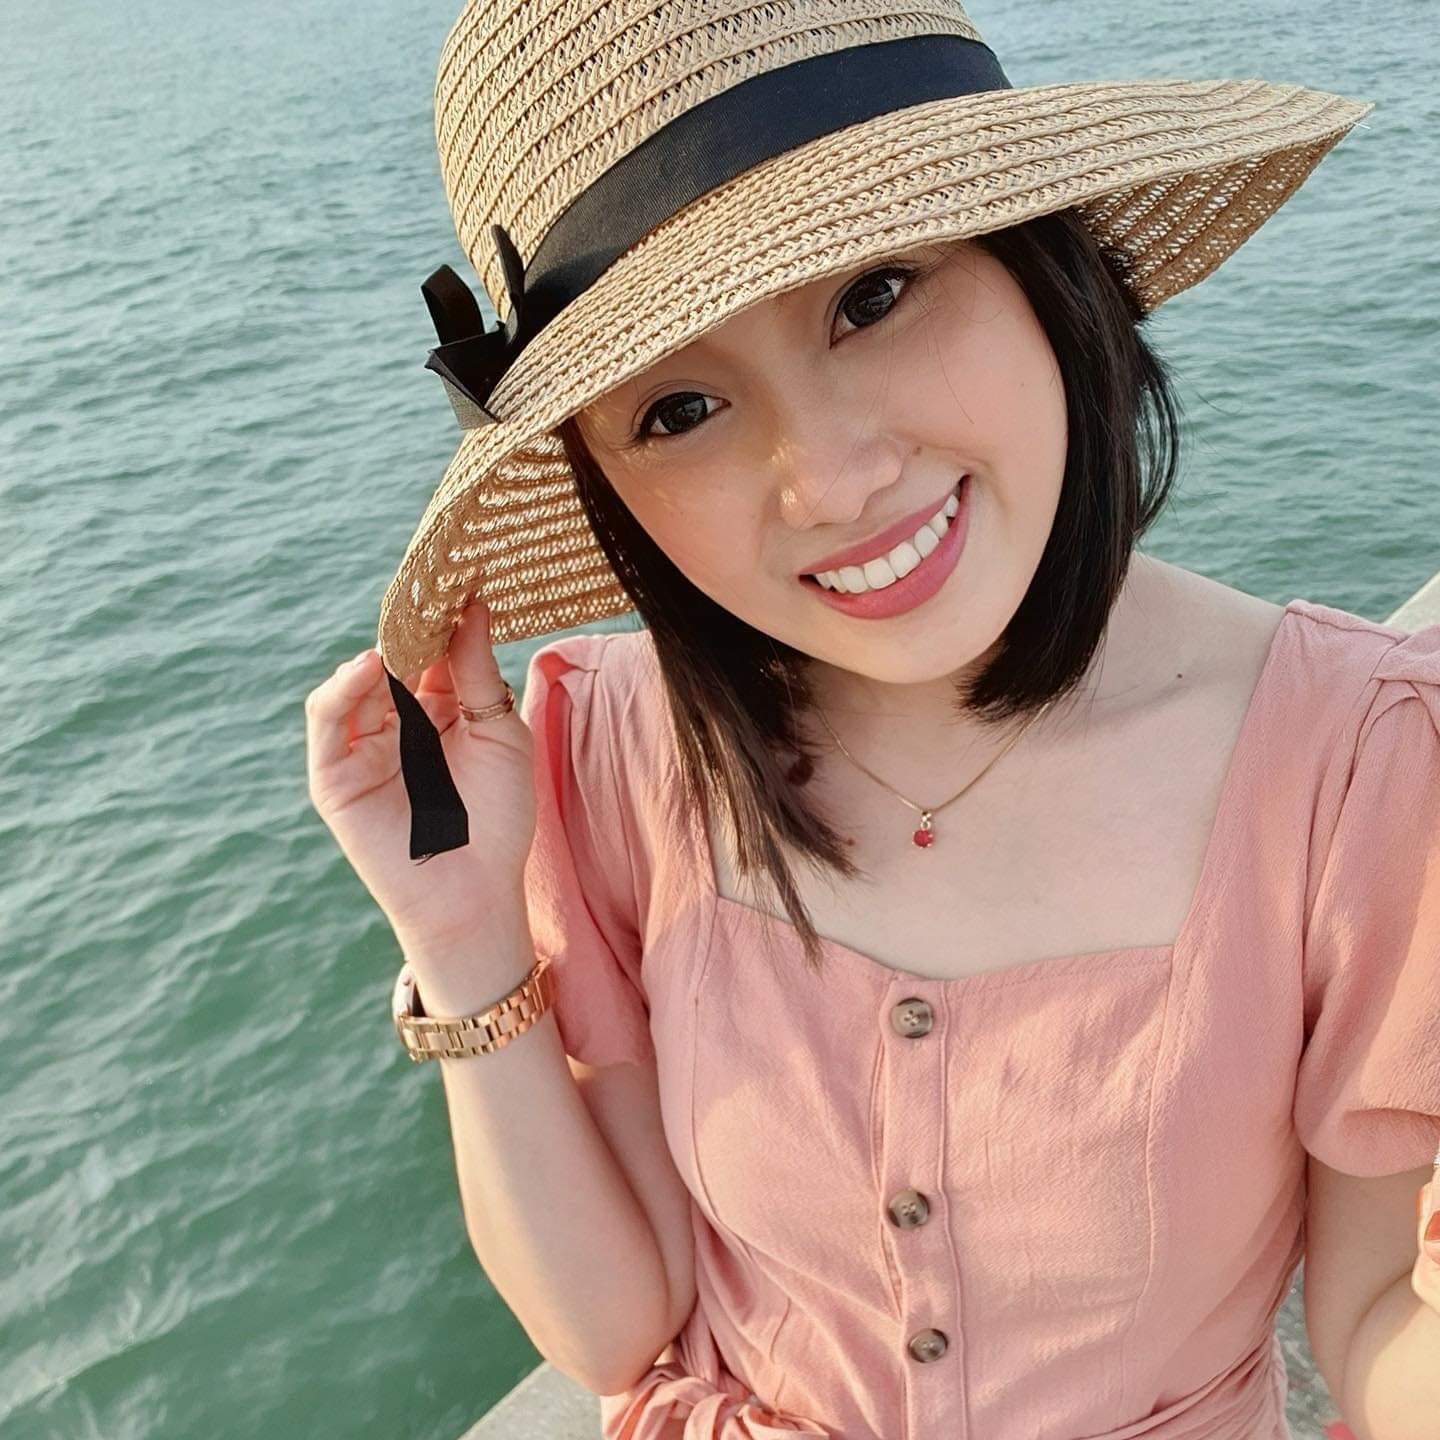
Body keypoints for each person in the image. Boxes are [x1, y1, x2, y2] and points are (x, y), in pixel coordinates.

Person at [304, 3, 1440, 1436]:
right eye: (681, 408)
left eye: (875, 296)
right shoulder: (615, 748)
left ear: (1049, 267)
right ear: (610, 487)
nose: (830, 480)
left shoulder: (1356, 764)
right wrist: (462, 940)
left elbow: (1376, 1323)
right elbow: (612, 1326)